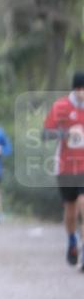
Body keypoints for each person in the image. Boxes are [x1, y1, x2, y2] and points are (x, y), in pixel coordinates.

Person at [43, 71, 84, 267]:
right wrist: (67, 133)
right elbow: (45, 134)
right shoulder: (61, 106)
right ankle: (72, 241)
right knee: (71, 211)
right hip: (66, 167)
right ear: (77, 90)